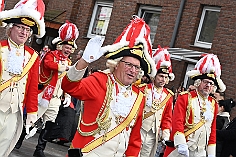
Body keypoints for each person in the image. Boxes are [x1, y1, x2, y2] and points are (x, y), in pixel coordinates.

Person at [61, 16, 156, 157]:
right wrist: (83, 62)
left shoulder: (139, 96)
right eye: (128, 65)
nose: (132, 70)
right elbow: (69, 87)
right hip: (88, 153)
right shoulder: (100, 80)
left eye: (136, 68)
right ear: (116, 64)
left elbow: (134, 139)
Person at [0, 0, 45, 156]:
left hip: (14, 113)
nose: (24, 32)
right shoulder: (0, 49)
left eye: (27, 29)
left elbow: (33, 87)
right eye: (20, 27)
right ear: (10, 28)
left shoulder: (33, 57)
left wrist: (32, 114)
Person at [164, 54, 226, 157]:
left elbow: (212, 130)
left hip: (200, 152)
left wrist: (211, 152)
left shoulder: (213, 103)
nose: (208, 85)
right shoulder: (185, 97)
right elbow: (177, 121)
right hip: (183, 148)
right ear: (198, 82)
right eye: (205, 82)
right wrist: (181, 143)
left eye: (211, 83)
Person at [33, 21, 79, 157]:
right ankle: (20, 136)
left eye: (70, 49)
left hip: (56, 98)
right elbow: (48, 64)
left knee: (50, 124)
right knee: (32, 118)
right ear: (60, 46)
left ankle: (39, 149)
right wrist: (63, 68)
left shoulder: (69, 62)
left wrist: (68, 95)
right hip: (44, 95)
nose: (68, 50)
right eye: (66, 47)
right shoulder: (51, 55)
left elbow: (66, 80)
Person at [140, 46, 175, 157]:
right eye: (160, 76)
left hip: (153, 134)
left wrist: (165, 135)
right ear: (154, 76)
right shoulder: (143, 89)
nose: (163, 80)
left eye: (165, 77)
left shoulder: (168, 95)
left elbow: (167, 118)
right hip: (139, 130)